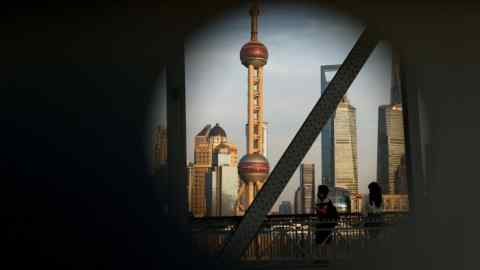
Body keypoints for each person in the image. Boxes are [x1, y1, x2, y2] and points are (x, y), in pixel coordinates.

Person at [315, 185, 338, 260]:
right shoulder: (324, 201)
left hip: (325, 224)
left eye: (320, 192)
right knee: (325, 242)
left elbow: (324, 212)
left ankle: (323, 258)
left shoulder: (325, 202)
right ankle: (324, 258)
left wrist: (317, 208)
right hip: (325, 224)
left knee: (323, 242)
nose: (318, 193)